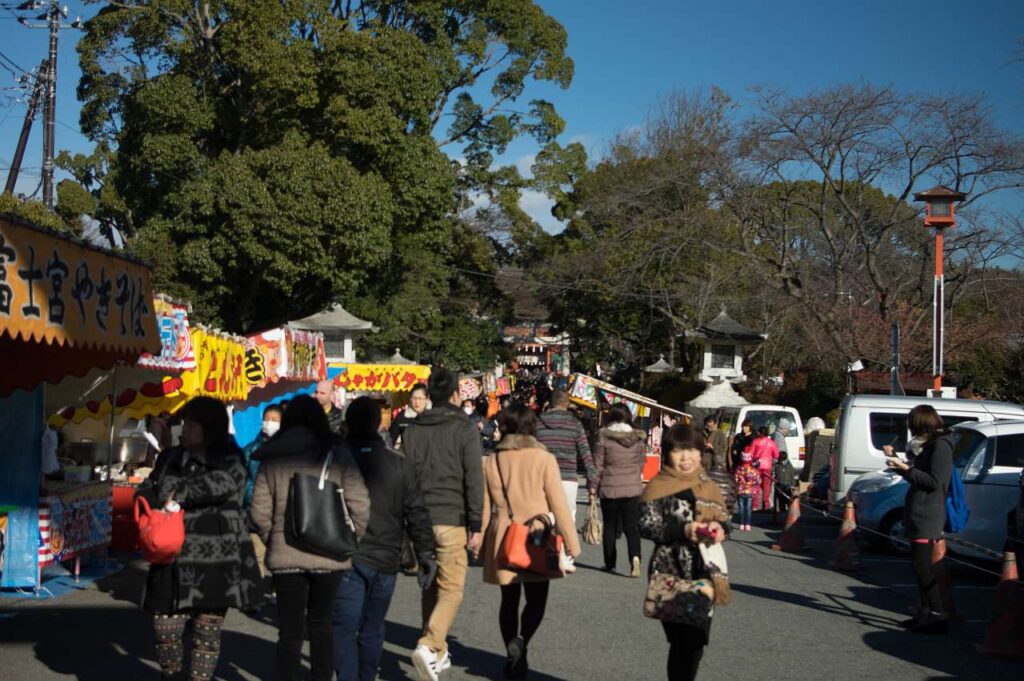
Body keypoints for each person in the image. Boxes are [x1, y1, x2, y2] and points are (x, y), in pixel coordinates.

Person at [248, 395, 371, 681]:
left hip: (285, 554)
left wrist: (274, 538)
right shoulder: (336, 452)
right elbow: (361, 504)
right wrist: (349, 536)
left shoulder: (272, 454)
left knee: (289, 630)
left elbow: (259, 511)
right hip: (329, 553)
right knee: (322, 624)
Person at [140, 397, 263, 681]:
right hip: (170, 553)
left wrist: (179, 492)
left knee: (206, 632)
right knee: (164, 628)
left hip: (217, 556)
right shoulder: (171, 456)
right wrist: (149, 496)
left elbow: (222, 484)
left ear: (210, 426)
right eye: (185, 421)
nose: (186, 428)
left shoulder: (230, 455)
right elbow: (158, 487)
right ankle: (172, 676)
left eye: (193, 423)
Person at [333, 397, 437, 681]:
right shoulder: (399, 465)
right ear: (378, 423)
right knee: (373, 625)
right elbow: (416, 511)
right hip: (386, 555)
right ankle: (366, 676)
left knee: (343, 625)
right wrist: (426, 553)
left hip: (344, 553)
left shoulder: (334, 460)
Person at [476, 402, 581, 680]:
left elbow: (484, 506)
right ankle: (522, 640)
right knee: (537, 599)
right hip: (536, 535)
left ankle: (513, 656)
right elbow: (558, 504)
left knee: (508, 599)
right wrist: (572, 542)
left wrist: (479, 540)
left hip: (503, 535)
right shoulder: (543, 458)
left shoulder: (492, 461)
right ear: (531, 427)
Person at [402, 368, 485, 681]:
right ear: (455, 395)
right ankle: (430, 643)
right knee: (452, 588)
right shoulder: (464, 429)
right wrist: (476, 523)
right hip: (451, 516)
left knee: (429, 584)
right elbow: (473, 479)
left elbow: (405, 477)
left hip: (419, 517)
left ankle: (436, 651)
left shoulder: (411, 430)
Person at [639, 424, 730, 681]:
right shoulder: (658, 485)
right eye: (678, 451)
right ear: (667, 454)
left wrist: (718, 527)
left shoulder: (709, 486)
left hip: (706, 570)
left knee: (696, 643)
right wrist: (683, 529)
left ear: (701, 453)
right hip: (670, 571)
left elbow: (724, 518)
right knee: (681, 642)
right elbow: (645, 523)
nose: (685, 457)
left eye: (691, 450)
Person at [883, 405, 954, 634]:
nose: (910, 430)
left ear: (922, 423)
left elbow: (934, 482)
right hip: (919, 512)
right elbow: (917, 475)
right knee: (918, 567)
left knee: (923, 567)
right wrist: (896, 461)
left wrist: (904, 467)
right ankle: (924, 613)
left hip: (928, 514)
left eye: (912, 424)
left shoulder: (941, 446)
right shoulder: (927, 445)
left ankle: (937, 614)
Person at [594, 403, 646, 577]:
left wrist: (592, 487)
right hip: (632, 488)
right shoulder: (637, 438)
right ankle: (635, 558)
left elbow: (598, 465)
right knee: (632, 527)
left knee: (609, 526)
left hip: (610, 487)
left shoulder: (604, 437)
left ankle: (610, 563)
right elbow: (641, 462)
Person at [536, 389, 598, 525]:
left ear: (550, 403)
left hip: (543, 479)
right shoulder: (575, 425)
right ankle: (563, 546)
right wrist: (592, 483)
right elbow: (586, 455)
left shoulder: (538, 424)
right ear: (568, 403)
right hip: (568, 479)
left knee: (545, 520)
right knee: (567, 522)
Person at [241, 404, 283, 577]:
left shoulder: (287, 450)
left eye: (274, 420)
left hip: (279, 516)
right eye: (267, 419)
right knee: (257, 558)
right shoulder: (250, 450)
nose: (269, 423)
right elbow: (243, 481)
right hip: (254, 514)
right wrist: (257, 495)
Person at [748, 426, 779, 511]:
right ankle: (766, 505)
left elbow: (751, 454)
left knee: (756, 485)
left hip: (757, 466)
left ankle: (754, 505)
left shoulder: (755, 441)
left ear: (759, 432)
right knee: (766, 486)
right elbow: (776, 455)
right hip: (767, 466)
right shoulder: (771, 443)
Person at [390, 383, 429, 449]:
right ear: (410, 399)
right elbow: (391, 439)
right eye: (414, 398)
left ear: (426, 400)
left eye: (420, 398)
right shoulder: (402, 416)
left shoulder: (432, 416)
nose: (417, 402)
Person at [733, 445, 760, 531]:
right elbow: (758, 481)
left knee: (741, 509)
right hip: (750, 491)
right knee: (748, 509)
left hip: (740, 490)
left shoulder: (739, 469)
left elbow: (735, 479)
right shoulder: (753, 470)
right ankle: (747, 525)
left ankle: (741, 524)